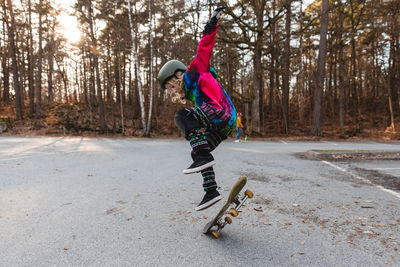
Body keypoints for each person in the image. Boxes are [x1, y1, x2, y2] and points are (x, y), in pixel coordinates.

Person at [157, 6, 237, 211]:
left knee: (182, 116)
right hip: (224, 126)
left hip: (220, 113)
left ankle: (203, 157)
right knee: (200, 152)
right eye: (169, 89)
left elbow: (204, 47)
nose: (173, 90)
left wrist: (212, 24)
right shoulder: (192, 94)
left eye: (172, 85)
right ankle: (211, 191)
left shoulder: (194, 71)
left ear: (177, 75)